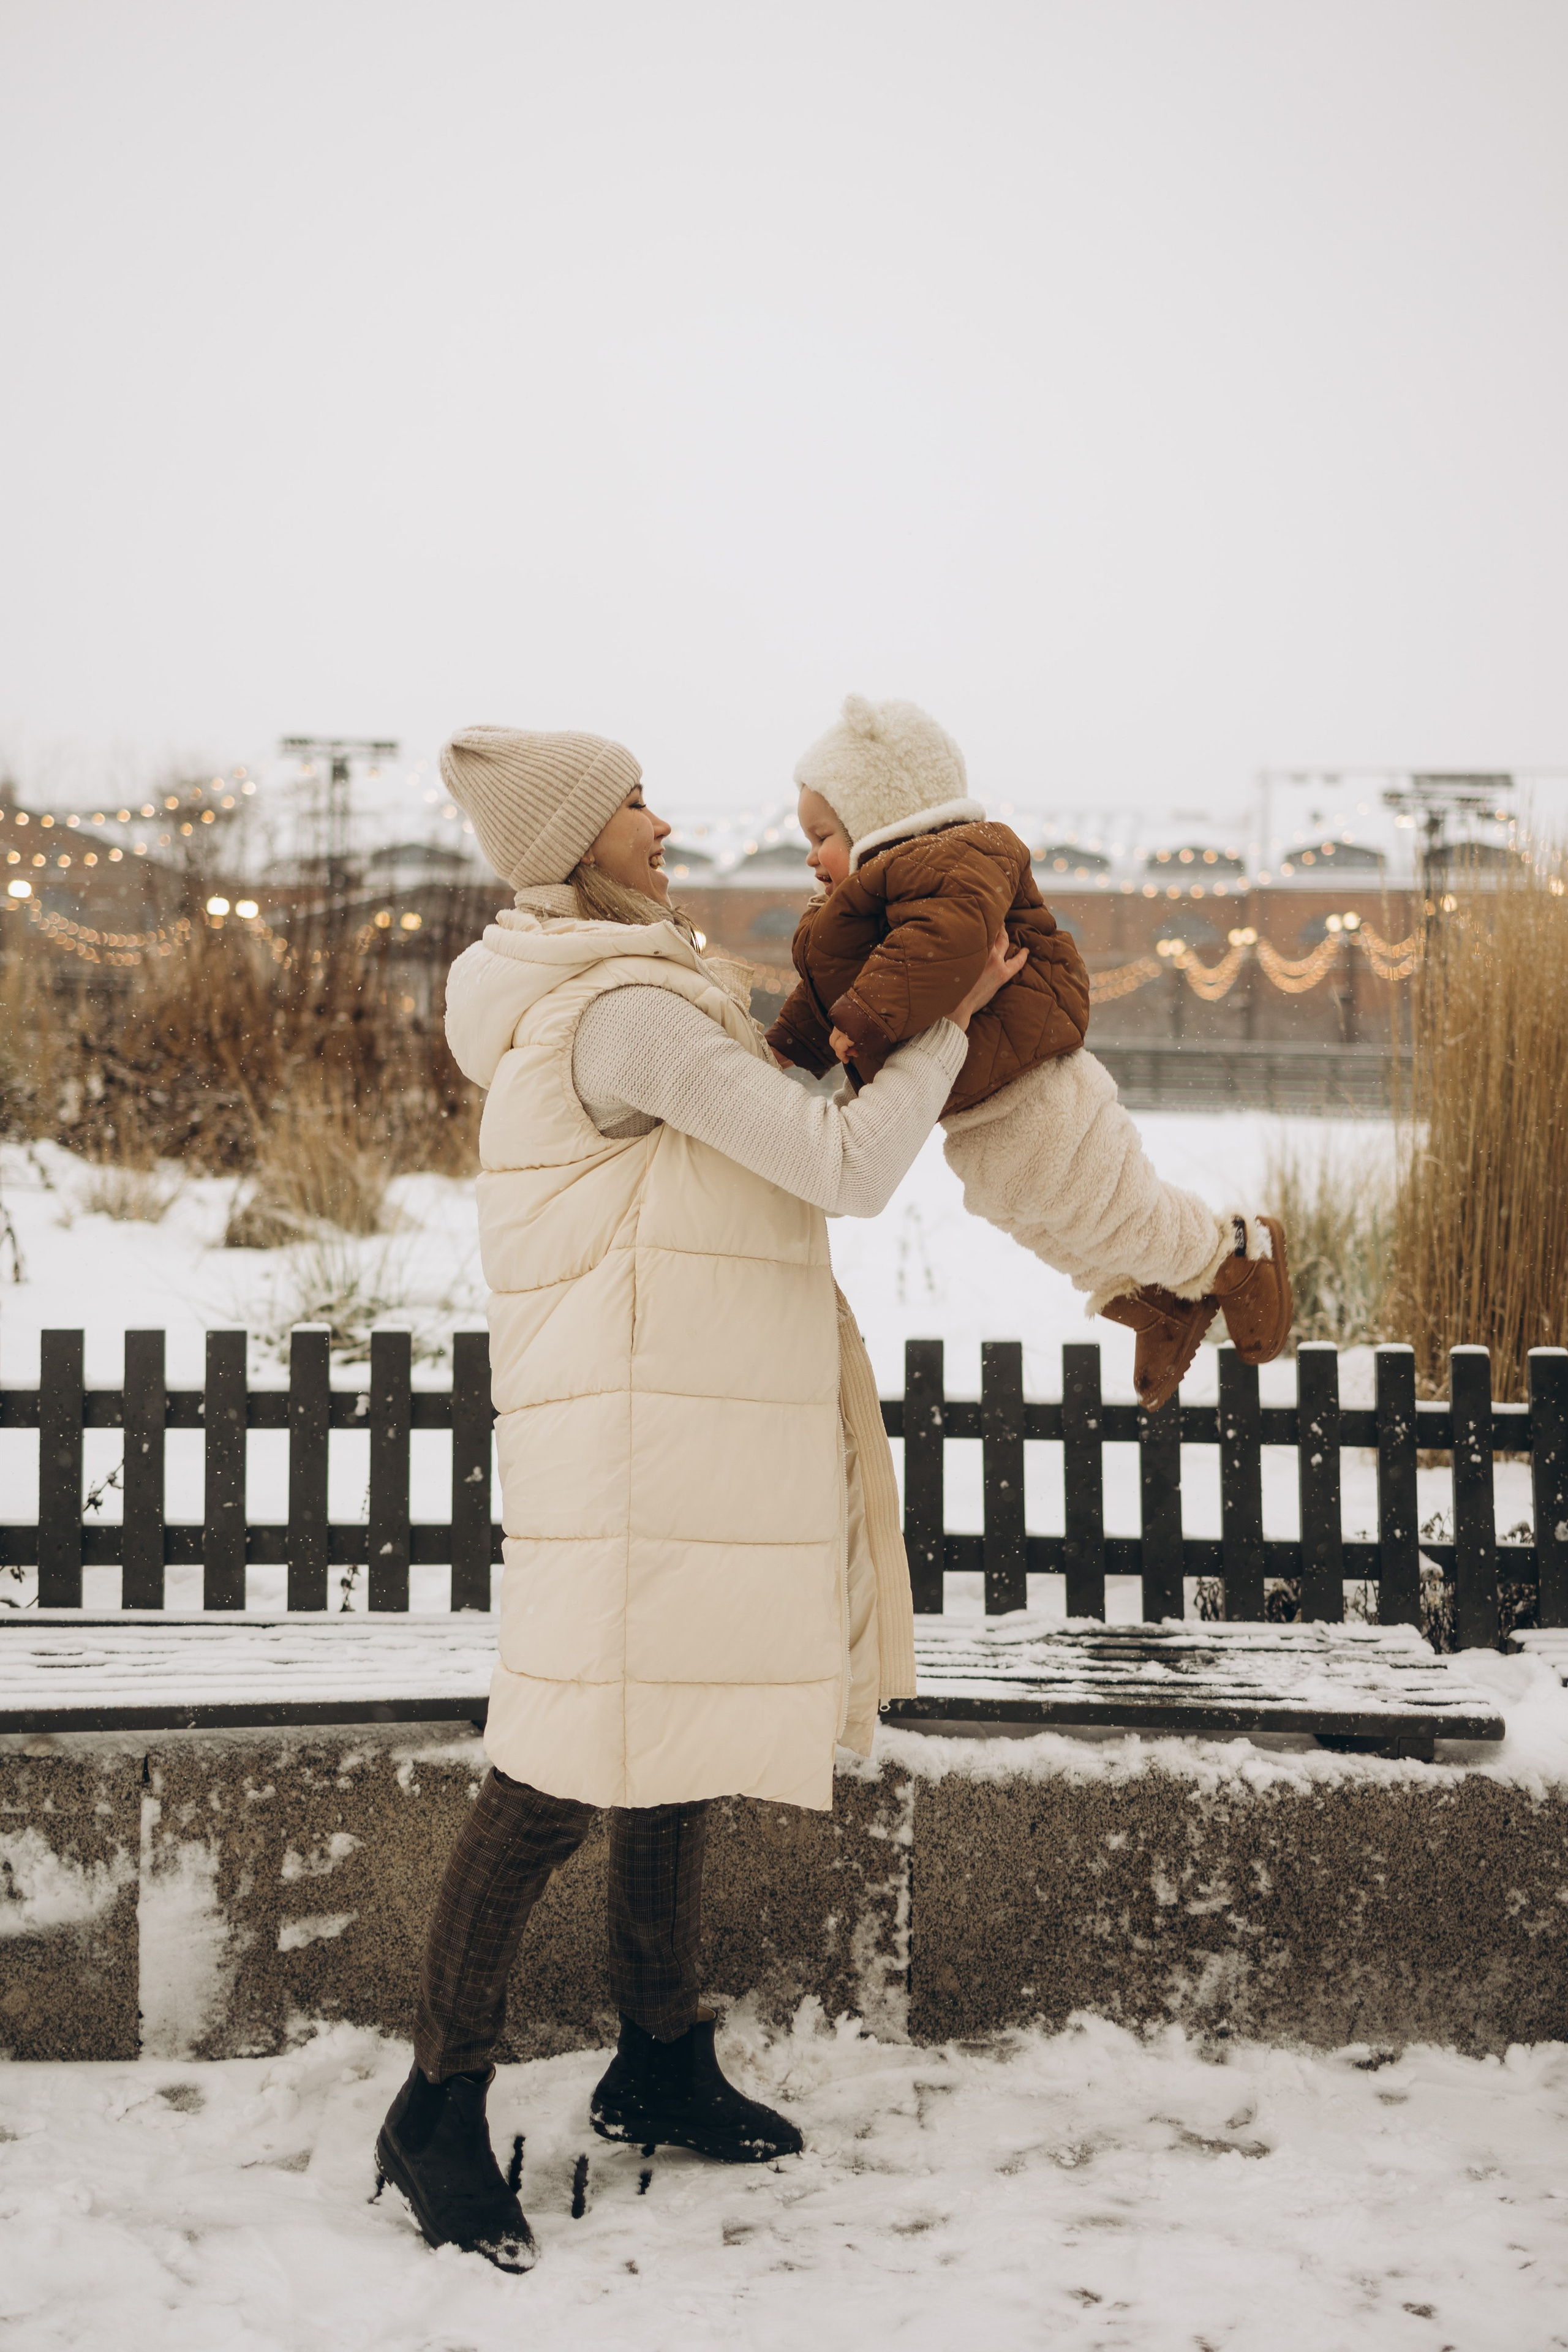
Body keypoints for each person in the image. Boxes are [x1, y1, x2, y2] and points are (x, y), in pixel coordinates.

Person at [374, 722, 1024, 2272]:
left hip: (664, 1423)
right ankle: (432, 2107)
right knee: (547, 1778)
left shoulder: (640, 992)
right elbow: (839, 1165)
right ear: (572, 844)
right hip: (626, 1440)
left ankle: (657, 2056)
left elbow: (774, 1113)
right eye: (631, 805)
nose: (661, 825)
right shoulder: (617, 1015)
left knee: (670, 1740)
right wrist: (949, 1021)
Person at [766, 695, 1294, 1408]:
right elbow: (826, 991)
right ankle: (1154, 1301)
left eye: (822, 834)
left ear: (878, 813)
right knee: (1025, 1211)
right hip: (970, 1102)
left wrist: (865, 1015)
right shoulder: (853, 912)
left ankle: (1232, 1253)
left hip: (1034, 1079)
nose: (811, 854)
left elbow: (944, 941)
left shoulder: (954, 857)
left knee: (1106, 1205)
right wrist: (791, 1046)